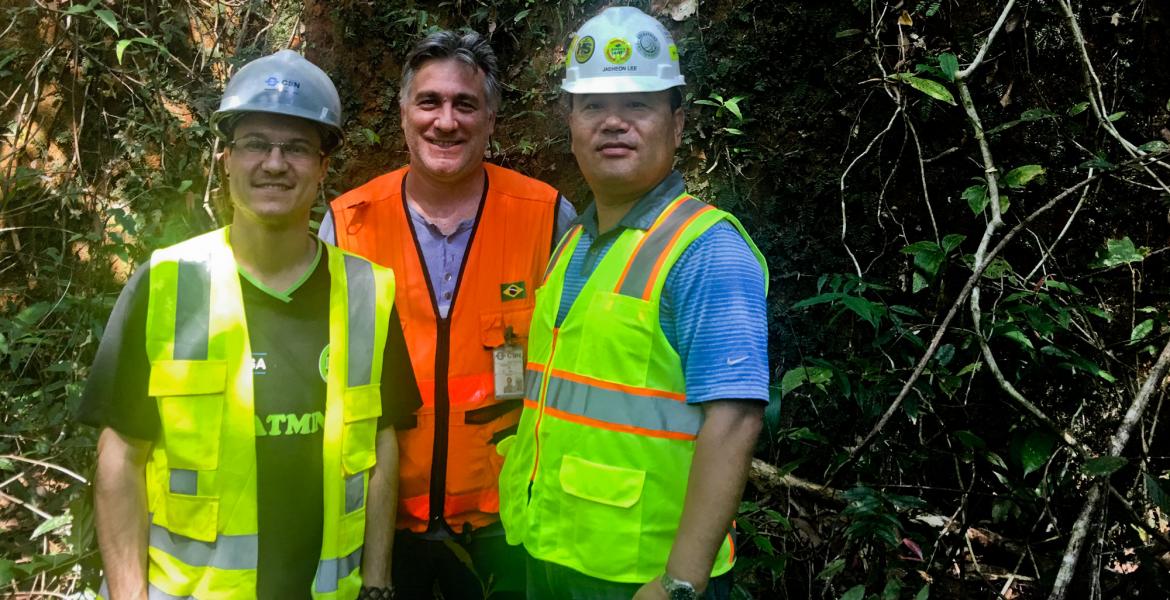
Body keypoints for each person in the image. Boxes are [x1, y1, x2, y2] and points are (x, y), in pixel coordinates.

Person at [80, 49, 420, 600]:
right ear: (227, 159)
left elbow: (382, 441)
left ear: (323, 166)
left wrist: (377, 581)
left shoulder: (367, 291)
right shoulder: (167, 282)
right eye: (256, 144)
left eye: (297, 148)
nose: (275, 163)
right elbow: (121, 455)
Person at [496, 7, 770, 600]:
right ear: (570, 122)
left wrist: (680, 580)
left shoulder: (707, 251)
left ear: (676, 122)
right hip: (551, 552)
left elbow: (736, 418)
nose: (613, 123)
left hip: (643, 577)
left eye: (638, 105)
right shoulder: (573, 242)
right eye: (593, 105)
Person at [320, 31, 576, 599]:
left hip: (506, 528)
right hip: (379, 527)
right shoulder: (348, 225)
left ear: (490, 120)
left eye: (465, 104)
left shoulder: (547, 217)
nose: (446, 121)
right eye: (429, 102)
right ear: (405, 116)